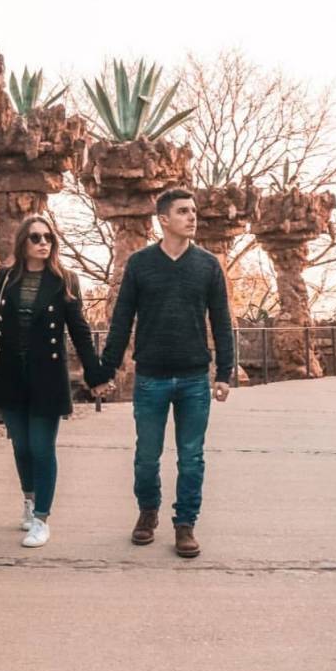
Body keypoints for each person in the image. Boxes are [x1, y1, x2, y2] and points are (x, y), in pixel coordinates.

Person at [88, 188, 234, 558]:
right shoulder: (140, 264)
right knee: (147, 456)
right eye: (183, 211)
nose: (192, 217)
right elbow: (121, 320)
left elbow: (221, 320)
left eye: (193, 211)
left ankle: (185, 524)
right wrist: (106, 370)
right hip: (150, 377)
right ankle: (147, 513)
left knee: (191, 456)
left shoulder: (207, 265)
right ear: (164, 220)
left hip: (194, 379)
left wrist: (224, 372)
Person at [0, 214, 100, 549]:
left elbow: (80, 330)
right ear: (23, 242)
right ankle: (28, 500)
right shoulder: (7, 277)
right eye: (36, 238)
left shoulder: (65, 280)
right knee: (21, 447)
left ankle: (41, 518)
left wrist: (95, 373)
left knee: (42, 448)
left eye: (48, 238)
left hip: (47, 375)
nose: (43, 244)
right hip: (11, 373)